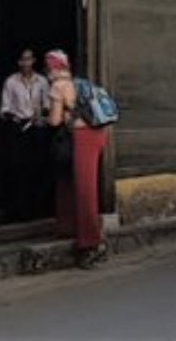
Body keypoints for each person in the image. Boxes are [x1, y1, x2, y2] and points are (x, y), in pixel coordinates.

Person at [46, 49, 110, 269]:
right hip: (97, 135)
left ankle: (91, 245)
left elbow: (54, 121)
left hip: (83, 137)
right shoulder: (80, 82)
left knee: (85, 190)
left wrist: (44, 114)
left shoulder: (57, 86)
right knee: (71, 183)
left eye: (48, 68)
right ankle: (70, 228)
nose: (48, 73)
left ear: (54, 68)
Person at [0, 49, 52, 221]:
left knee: (38, 167)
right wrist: (13, 116)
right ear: (18, 62)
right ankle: (20, 212)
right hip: (18, 129)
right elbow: (4, 108)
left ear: (34, 61)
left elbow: (48, 104)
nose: (26, 63)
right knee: (18, 169)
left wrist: (42, 113)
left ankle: (38, 210)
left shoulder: (42, 81)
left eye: (29, 59)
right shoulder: (11, 82)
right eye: (23, 60)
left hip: (37, 128)